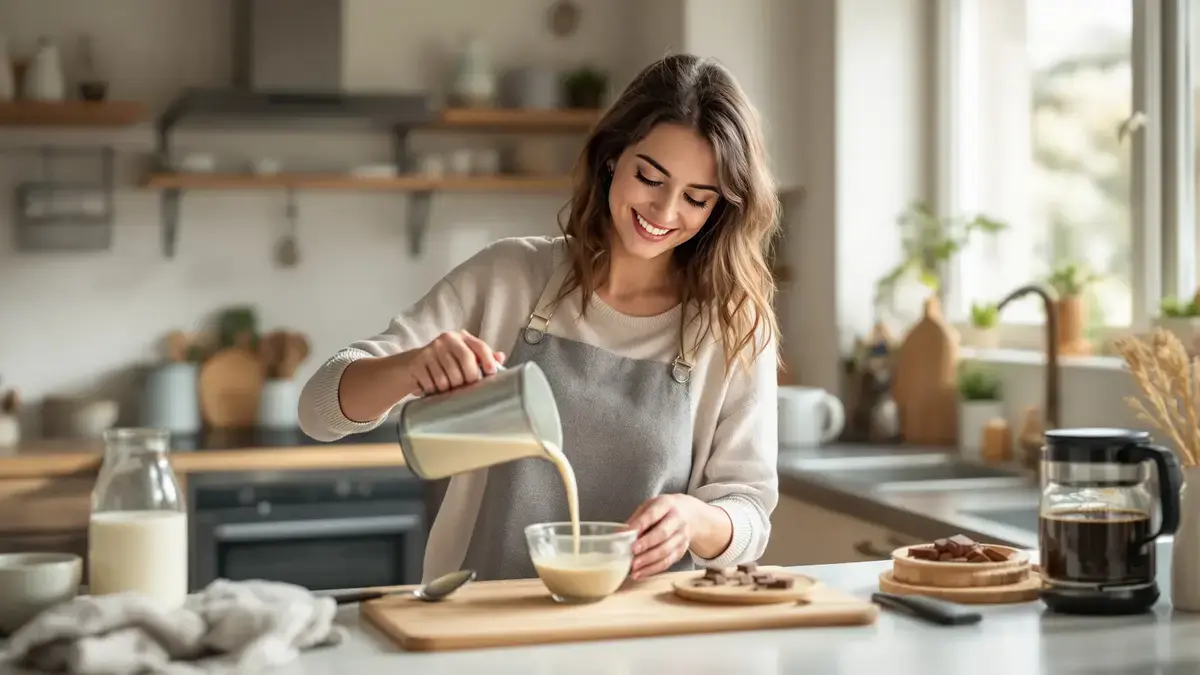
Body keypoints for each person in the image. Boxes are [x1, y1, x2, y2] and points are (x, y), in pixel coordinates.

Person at [299, 53, 781, 584]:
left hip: (645, 624)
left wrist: (696, 520)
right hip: (483, 615)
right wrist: (410, 367)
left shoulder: (732, 328)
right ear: (611, 158)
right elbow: (318, 411)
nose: (665, 212)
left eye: (695, 198)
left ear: (720, 209)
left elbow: (750, 513)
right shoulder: (508, 277)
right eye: (649, 177)